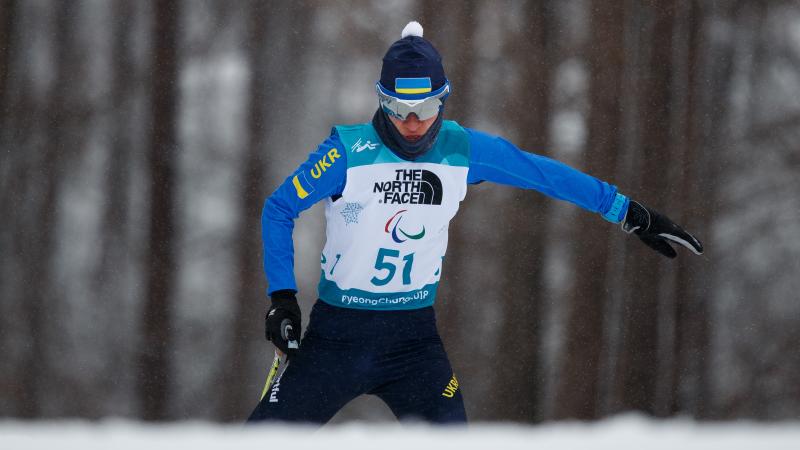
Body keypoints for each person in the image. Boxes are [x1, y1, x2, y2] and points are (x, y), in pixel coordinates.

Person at [247, 21, 703, 425]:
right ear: (381, 101)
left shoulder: (462, 150)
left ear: (442, 102)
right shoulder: (347, 152)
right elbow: (279, 208)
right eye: (398, 109)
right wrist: (282, 298)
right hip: (336, 340)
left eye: (424, 110)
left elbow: (547, 175)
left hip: (413, 346)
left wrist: (629, 213)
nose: (411, 124)